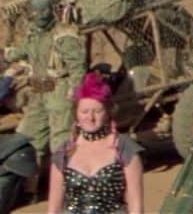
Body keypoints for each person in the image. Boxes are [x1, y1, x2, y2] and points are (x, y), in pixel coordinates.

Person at [8, 0, 86, 174]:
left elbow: (77, 66)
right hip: (38, 93)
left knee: (61, 140)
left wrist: (74, 91)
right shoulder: (33, 35)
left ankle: (68, 181)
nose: (41, 15)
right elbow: (19, 52)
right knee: (26, 137)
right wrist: (6, 54)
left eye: (44, 10)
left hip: (59, 92)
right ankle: (30, 184)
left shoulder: (63, 36)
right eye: (37, 11)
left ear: (52, 11)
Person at [47, 72, 143, 214]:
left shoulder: (124, 148)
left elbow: (136, 207)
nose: (90, 117)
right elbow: (53, 209)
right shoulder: (64, 152)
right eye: (84, 111)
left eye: (97, 111)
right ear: (76, 114)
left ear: (108, 112)